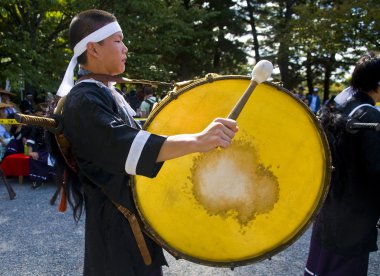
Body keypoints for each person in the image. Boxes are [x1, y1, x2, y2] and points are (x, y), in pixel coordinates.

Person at [54, 9, 238, 276]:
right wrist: (199, 140)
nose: (125, 48)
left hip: (129, 228)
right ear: (93, 49)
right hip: (115, 237)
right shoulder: (83, 100)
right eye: (118, 41)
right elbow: (130, 147)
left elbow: (147, 137)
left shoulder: (106, 94)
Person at [304, 52, 380, 276]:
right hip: (355, 215)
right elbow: (376, 170)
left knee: (320, 267)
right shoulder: (369, 115)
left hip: (329, 205)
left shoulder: (335, 105)